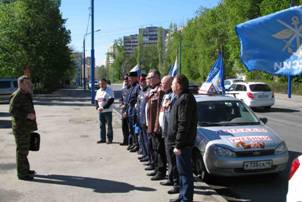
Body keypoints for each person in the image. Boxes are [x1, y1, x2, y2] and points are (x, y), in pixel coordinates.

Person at [169, 75, 197, 202]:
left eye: (173, 83)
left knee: (185, 174)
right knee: (182, 173)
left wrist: (178, 145)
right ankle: (182, 196)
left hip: (183, 145)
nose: (171, 86)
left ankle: (186, 199)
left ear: (179, 85)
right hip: (181, 144)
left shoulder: (185, 99)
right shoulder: (181, 98)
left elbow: (183, 124)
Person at [9, 75, 37, 181]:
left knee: (25, 150)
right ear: (21, 84)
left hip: (26, 127)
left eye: (29, 83)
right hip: (20, 128)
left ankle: (25, 169)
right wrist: (26, 115)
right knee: (21, 151)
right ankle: (22, 174)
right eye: (27, 83)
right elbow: (12, 111)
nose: (29, 85)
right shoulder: (17, 95)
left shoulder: (26, 94)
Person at [159, 75, 179, 194]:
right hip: (165, 131)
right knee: (169, 160)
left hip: (172, 133)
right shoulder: (166, 95)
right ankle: (171, 178)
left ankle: (176, 184)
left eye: (164, 82)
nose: (162, 84)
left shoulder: (174, 96)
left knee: (174, 161)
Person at [146, 69, 166, 181]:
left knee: (159, 149)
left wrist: (156, 126)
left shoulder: (160, 91)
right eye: (148, 78)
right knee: (155, 148)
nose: (149, 79)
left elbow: (159, 110)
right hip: (151, 124)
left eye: (151, 77)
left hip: (156, 126)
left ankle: (161, 171)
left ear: (158, 78)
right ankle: (156, 168)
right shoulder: (152, 90)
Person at [95, 79, 115, 144]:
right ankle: (102, 139)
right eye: (100, 84)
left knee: (109, 125)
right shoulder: (98, 91)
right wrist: (97, 107)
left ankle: (109, 139)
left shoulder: (109, 90)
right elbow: (96, 100)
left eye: (103, 83)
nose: (101, 85)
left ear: (106, 83)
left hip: (108, 111)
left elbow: (111, 100)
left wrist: (103, 107)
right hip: (101, 111)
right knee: (101, 125)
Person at [125, 71, 140, 152]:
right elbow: (127, 100)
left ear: (135, 78)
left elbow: (138, 100)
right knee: (131, 129)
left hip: (135, 112)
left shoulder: (138, 87)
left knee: (136, 129)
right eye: (129, 78)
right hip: (130, 111)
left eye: (130, 77)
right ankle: (134, 143)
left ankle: (137, 144)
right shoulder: (130, 87)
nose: (129, 79)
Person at [120, 75, 130, 146]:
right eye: (124, 79)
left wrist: (125, 106)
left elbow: (132, 101)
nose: (126, 80)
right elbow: (121, 98)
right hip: (124, 111)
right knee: (124, 126)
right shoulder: (124, 89)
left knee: (130, 128)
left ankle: (131, 142)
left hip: (129, 111)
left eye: (127, 79)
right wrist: (121, 104)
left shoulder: (132, 89)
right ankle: (125, 140)